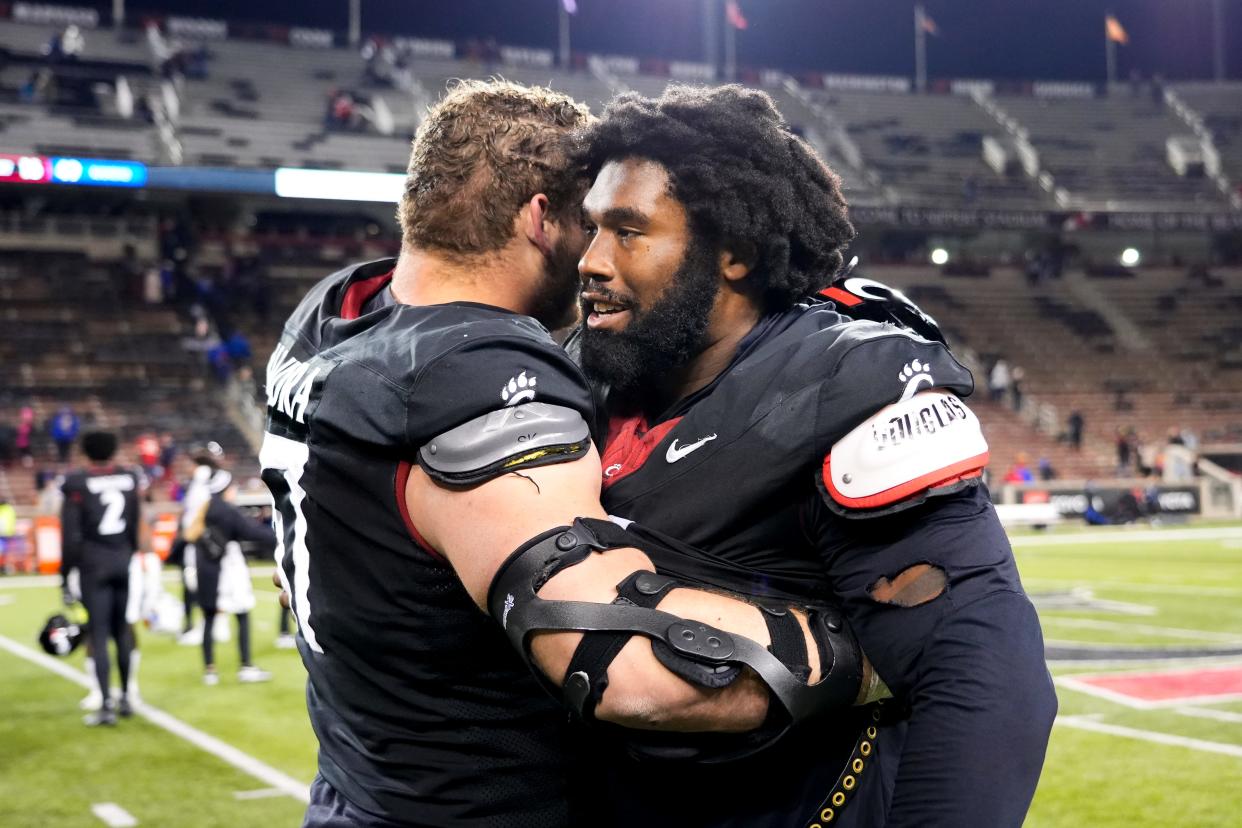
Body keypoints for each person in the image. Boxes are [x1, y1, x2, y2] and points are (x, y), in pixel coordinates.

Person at [263, 80, 867, 828]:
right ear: (542, 219)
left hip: (355, 783)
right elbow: (623, 667)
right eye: (593, 223)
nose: (598, 255)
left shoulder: (334, 317)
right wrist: (863, 654)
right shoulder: (476, 372)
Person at [565, 84, 1055, 826]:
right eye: (592, 227)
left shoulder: (845, 385)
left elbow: (986, 677)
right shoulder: (599, 378)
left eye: (629, 231)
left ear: (738, 253)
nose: (591, 260)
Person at [60, 431, 142, 726]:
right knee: (122, 632)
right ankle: (126, 699)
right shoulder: (129, 477)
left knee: (98, 633)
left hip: (94, 564)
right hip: (122, 559)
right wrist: (128, 554)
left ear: (84, 451)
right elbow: (134, 522)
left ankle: (106, 703)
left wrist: (65, 572)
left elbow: (70, 535)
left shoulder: (77, 482)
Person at [183, 469, 273, 685]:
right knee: (242, 614)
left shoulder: (205, 508)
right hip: (229, 567)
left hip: (206, 567)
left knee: (209, 617)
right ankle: (246, 666)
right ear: (225, 488)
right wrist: (281, 536)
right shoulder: (227, 510)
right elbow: (251, 532)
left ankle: (210, 670)